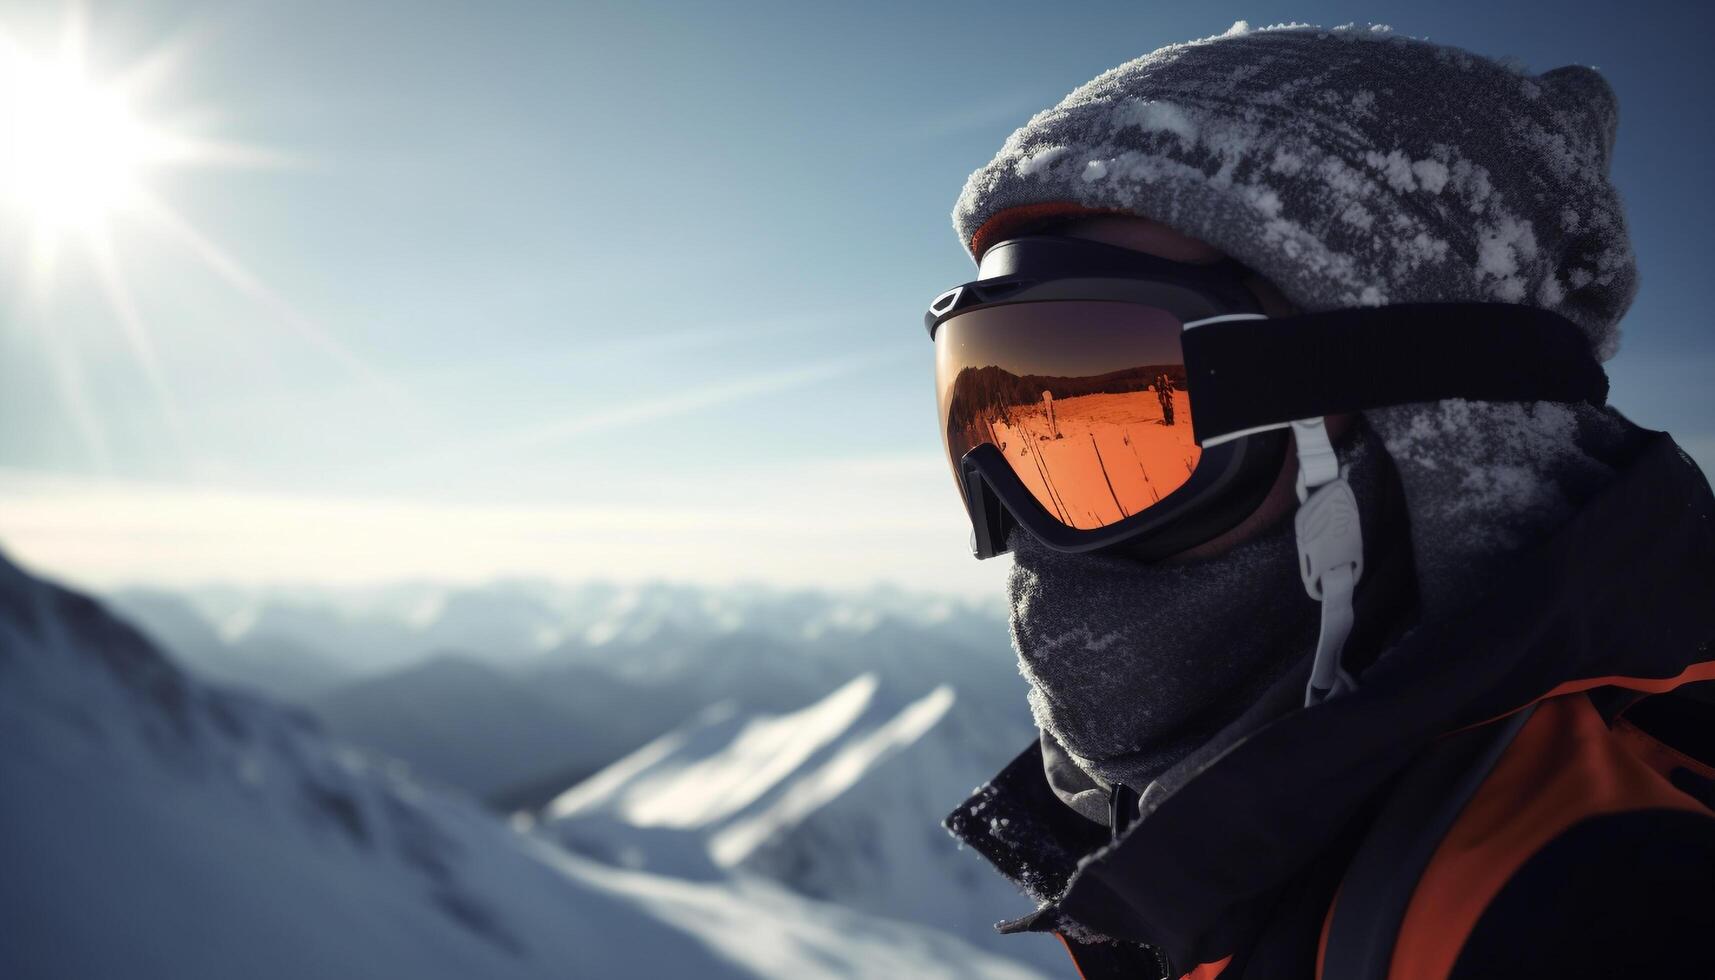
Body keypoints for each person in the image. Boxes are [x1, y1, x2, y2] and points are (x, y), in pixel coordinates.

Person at [924, 23, 1715, 980]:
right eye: (992, 415)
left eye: (1132, 407)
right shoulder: (1219, 845)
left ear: (1429, 432)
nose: (1032, 525)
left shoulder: (1588, 908)